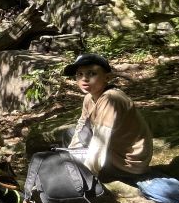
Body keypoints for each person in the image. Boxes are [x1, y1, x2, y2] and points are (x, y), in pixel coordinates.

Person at [62, 53, 152, 182]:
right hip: (113, 149)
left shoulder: (111, 99)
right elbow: (82, 125)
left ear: (107, 77)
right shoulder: (89, 97)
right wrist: (70, 155)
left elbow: (101, 140)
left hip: (127, 164)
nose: (84, 79)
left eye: (92, 74)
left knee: (78, 150)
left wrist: (87, 176)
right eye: (79, 74)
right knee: (70, 134)